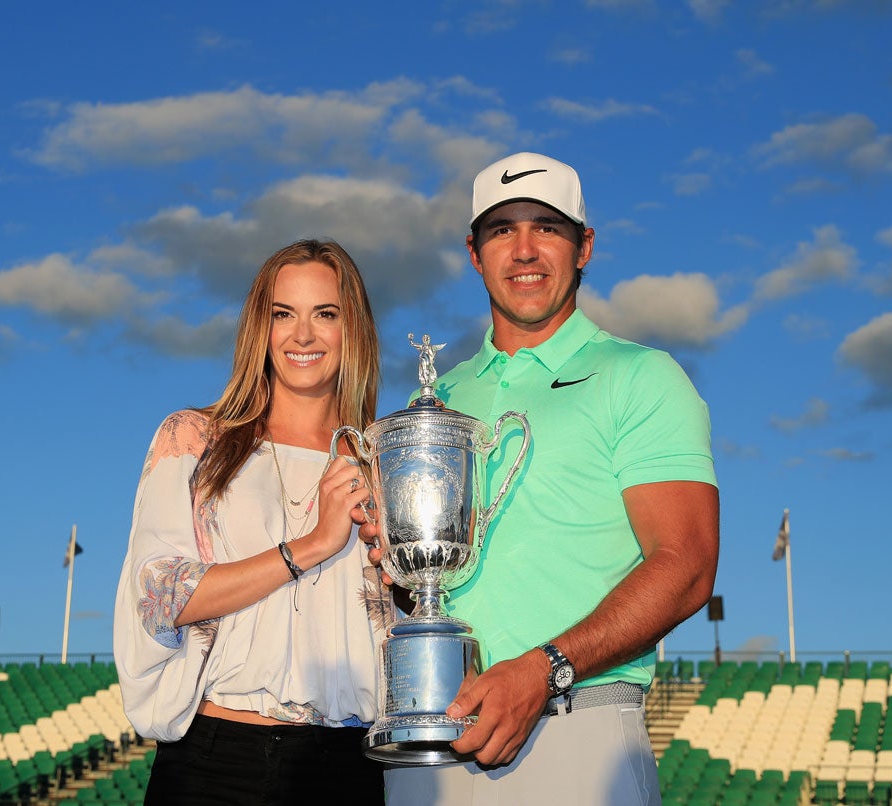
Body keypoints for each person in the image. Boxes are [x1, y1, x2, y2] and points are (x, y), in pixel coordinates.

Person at [371, 153, 720, 805]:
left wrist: (546, 669)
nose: (524, 250)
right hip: (432, 747)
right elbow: (422, 592)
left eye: (547, 228)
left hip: (575, 730)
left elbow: (688, 563)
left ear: (584, 246)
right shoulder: (437, 401)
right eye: (501, 230)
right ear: (474, 254)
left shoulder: (641, 376)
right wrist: (387, 561)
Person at [113, 239, 395, 805]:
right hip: (217, 763)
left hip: (353, 766)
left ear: (353, 329)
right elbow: (161, 595)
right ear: (258, 330)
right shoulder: (196, 440)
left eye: (326, 314)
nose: (303, 335)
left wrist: (398, 576)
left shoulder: (387, 462)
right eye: (283, 314)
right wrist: (310, 545)